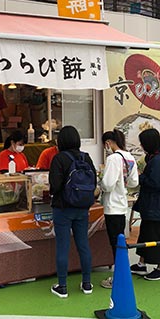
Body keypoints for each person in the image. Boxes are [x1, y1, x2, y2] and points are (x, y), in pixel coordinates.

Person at [48, 126, 97, 298]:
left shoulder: (59, 159)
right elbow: (94, 182)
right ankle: (87, 283)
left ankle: (62, 286)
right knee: (83, 245)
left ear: (61, 141)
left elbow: (54, 185)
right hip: (82, 208)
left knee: (63, 246)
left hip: (63, 208)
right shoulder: (86, 157)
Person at [130, 128, 160, 281]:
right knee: (145, 234)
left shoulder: (159, 161)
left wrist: (140, 177)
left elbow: (156, 183)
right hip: (152, 206)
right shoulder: (155, 158)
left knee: (158, 236)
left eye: (143, 143)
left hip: (157, 206)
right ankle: (141, 264)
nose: (141, 146)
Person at [98, 129, 139, 289]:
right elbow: (134, 182)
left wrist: (100, 183)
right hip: (122, 204)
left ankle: (118, 277)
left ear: (108, 143)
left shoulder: (113, 158)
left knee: (115, 243)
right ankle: (123, 274)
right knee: (121, 241)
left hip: (112, 205)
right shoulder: (129, 157)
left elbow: (108, 184)